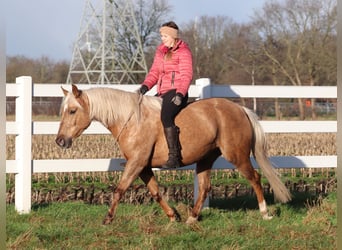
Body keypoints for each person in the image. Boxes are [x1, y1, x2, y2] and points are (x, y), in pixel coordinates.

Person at [138, 21, 193, 168]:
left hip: (176, 92)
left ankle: (174, 156)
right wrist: (145, 86)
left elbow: (186, 75)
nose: (162, 38)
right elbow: (154, 72)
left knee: (166, 116)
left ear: (173, 36)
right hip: (162, 92)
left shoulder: (183, 51)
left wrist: (181, 94)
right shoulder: (161, 51)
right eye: (161, 35)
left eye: (165, 36)